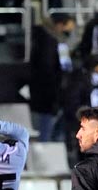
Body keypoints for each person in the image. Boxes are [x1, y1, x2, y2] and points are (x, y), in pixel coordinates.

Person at [28, 12, 75, 143]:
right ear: (60, 25)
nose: (69, 32)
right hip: (49, 93)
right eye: (68, 28)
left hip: (51, 92)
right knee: (45, 128)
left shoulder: (51, 39)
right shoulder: (49, 41)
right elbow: (48, 68)